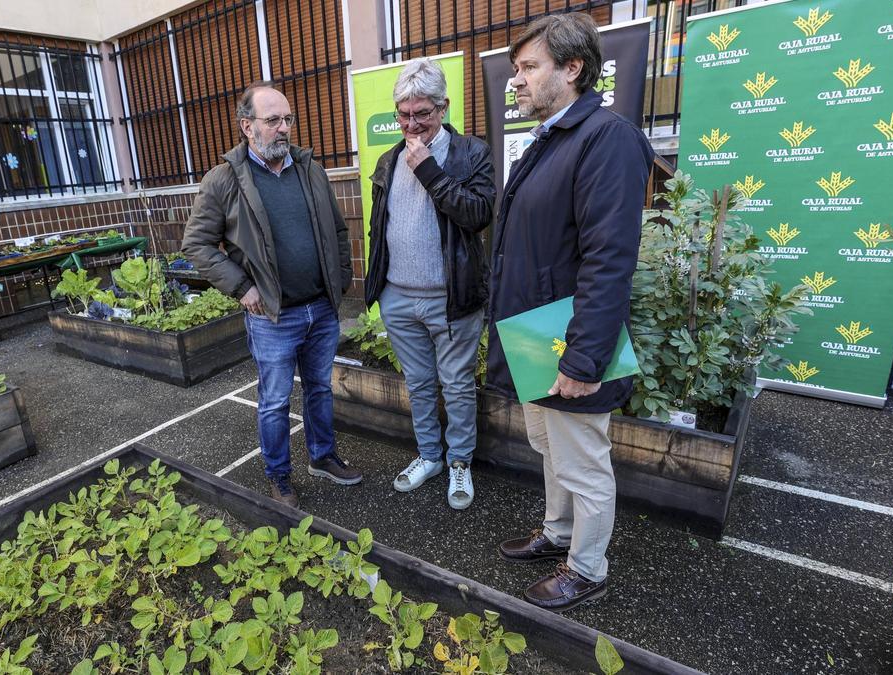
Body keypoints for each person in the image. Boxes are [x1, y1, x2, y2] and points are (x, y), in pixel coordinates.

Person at [486, 14, 654, 611]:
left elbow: (609, 259)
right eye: (517, 71)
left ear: (572, 68)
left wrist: (585, 357)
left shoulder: (605, 138)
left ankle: (587, 568)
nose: (518, 81)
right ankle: (557, 535)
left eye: (529, 68)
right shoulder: (553, 137)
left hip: (569, 341)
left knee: (583, 463)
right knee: (548, 447)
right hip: (536, 334)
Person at [182, 81, 359, 508]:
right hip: (272, 317)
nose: (283, 128)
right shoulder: (224, 180)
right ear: (248, 126)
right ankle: (279, 476)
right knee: (276, 401)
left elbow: (336, 228)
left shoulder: (307, 167)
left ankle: (322, 456)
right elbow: (197, 245)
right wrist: (241, 288)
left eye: (288, 119)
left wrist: (341, 279)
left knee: (319, 389)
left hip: (321, 307)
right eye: (272, 120)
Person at [364, 59, 495, 510]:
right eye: (404, 114)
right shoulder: (388, 158)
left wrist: (430, 171)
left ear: (444, 107)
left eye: (422, 113)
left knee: (457, 385)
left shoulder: (469, 152)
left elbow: (478, 214)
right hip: (398, 297)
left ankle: (459, 463)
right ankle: (429, 457)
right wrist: (379, 288)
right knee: (418, 384)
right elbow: (381, 224)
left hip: (451, 297)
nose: (411, 124)